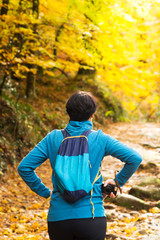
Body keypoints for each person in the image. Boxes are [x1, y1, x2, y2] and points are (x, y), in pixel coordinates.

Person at [18, 91, 142, 240]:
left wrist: (45, 192)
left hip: (58, 218)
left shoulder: (52, 138)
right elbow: (134, 158)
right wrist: (116, 182)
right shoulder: (100, 139)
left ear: (68, 113)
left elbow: (24, 167)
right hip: (91, 217)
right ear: (92, 115)